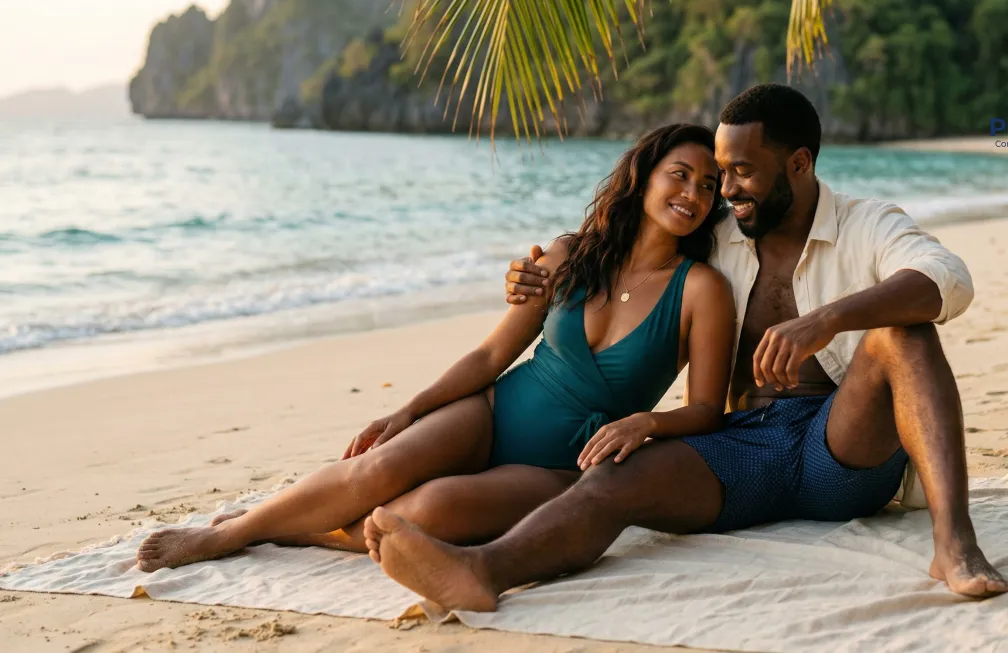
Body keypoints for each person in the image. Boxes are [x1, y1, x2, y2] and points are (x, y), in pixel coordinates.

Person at [358, 83, 1008, 609]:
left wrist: (829, 320)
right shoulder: (717, 235)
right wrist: (530, 276)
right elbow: (620, 255)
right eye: (719, 173)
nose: (722, 190)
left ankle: (954, 544)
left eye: (741, 173)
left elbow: (945, 280)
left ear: (799, 164)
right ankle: (482, 570)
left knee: (902, 332)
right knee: (610, 478)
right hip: (738, 444)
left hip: (839, 444)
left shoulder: (868, 223)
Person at [135, 123, 736, 572]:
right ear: (644, 177)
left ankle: (311, 533)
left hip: (563, 465)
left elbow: (708, 409)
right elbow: (489, 357)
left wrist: (646, 423)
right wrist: (412, 408)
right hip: (492, 412)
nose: (692, 193)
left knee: (424, 513)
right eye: (679, 174)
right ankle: (227, 535)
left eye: (708, 186)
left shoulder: (701, 290)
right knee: (378, 466)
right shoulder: (570, 255)